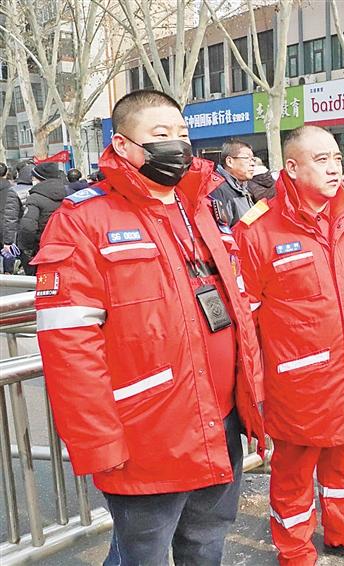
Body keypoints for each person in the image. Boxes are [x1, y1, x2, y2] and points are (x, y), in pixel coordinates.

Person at [32, 89, 265, 565]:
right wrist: (99, 443)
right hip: (146, 431)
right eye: (160, 136)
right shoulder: (82, 220)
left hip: (220, 419)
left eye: (182, 134)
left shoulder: (199, 208)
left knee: (206, 542)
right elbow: (69, 346)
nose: (177, 146)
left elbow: (235, 313)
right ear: (123, 145)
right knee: (143, 552)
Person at [235, 125, 344, 566]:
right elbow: (246, 320)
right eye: (321, 159)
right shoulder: (258, 229)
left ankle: (343, 533)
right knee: (293, 475)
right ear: (292, 166)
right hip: (298, 381)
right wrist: (255, 391)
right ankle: (295, 551)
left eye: (337, 158)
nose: (334, 168)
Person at [18, 162, 68, 276]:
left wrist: (27, 248)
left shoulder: (35, 198)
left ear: (39, 178)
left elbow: (28, 227)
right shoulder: (68, 193)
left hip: (41, 246)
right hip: (64, 244)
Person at [210, 139, 256, 227]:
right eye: (247, 158)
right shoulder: (217, 189)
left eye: (253, 159)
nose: (253, 163)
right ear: (229, 161)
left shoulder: (242, 187)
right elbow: (223, 232)